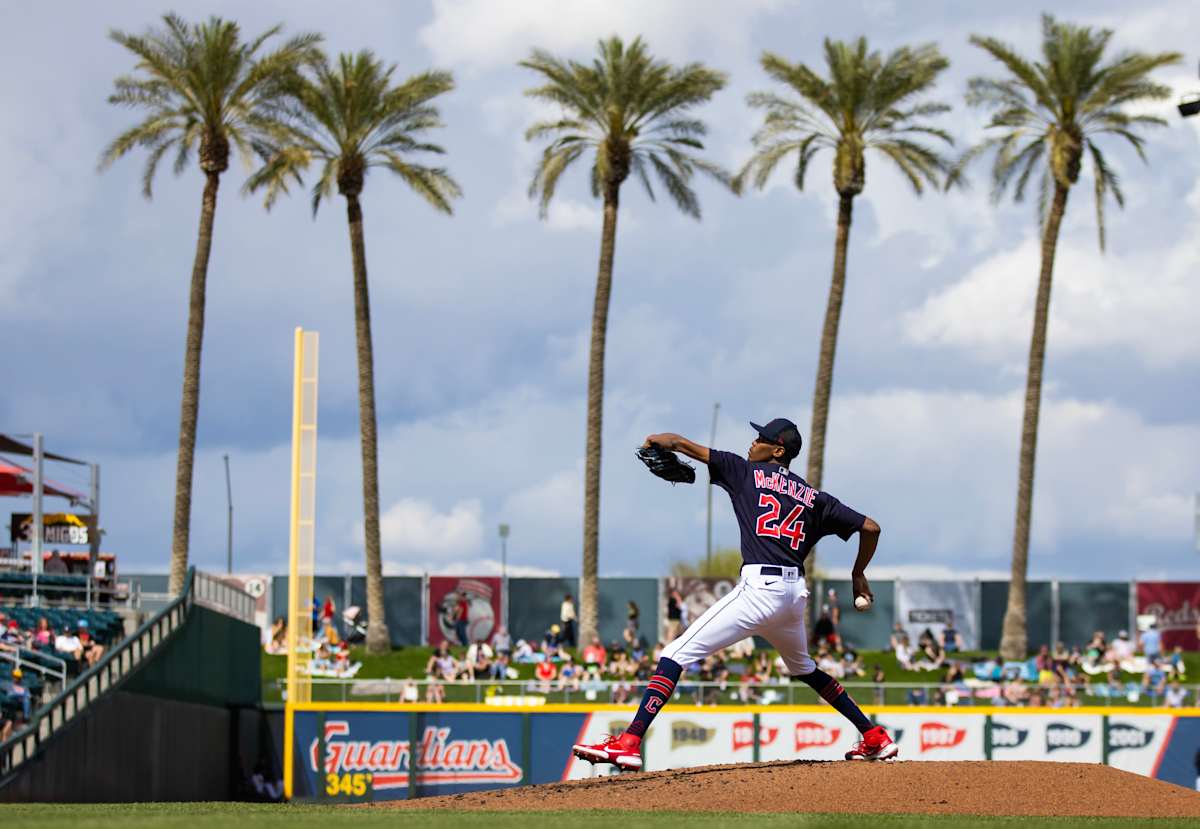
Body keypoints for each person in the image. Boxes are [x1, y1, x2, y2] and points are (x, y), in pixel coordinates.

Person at [572, 419, 895, 771]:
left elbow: (679, 442)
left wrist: (653, 439)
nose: (752, 443)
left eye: (761, 439)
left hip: (759, 590)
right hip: (792, 597)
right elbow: (871, 527)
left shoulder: (743, 471)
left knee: (674, 653)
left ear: (778, 450)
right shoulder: (817, 499)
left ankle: (629, 742)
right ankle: (874, 736)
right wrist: (858, 572)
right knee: (803, 667)